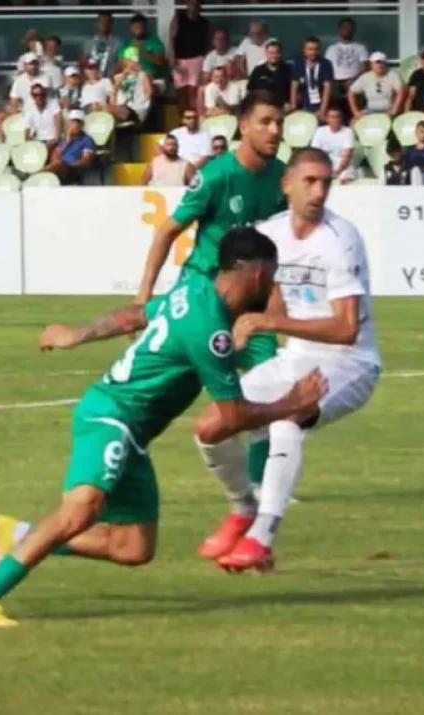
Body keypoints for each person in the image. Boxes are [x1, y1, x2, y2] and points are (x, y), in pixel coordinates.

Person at [0, 228, 324, 628]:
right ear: (257, 273)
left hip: (132, 433)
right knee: (81, 510)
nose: (274, 287)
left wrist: (78, 334)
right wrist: (290, 405)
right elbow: (232, 417)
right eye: (273, 276)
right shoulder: (210, 328)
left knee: (132, 547)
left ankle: (19, 535)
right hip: (112, 416)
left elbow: (136, 315)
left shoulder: (192, 291)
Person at [198, 149, 382, 570]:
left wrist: (267, 323)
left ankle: (261, 536)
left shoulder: (341, 239)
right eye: (309, 181)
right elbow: (271, 303)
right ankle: (243, 508)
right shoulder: (271, 234)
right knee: (212, 424)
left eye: (325, 182)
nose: (319, 192)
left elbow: (346, 328)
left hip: (350, 362)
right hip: (296, 356)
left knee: (288, 420)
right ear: (286, 185)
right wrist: (238, 326)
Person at [138, 91, 289, 499]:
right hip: (202, 292)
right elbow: (168, 231)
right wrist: (144, 296)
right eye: (265, 121)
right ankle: (122, 453)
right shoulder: (217, 176)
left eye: (279, 122)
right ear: (243, 126)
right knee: (162, 387)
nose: (275, 130)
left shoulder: (282, 177)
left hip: (250, 300)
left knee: (269, 387)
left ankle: (259, 487)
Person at [169, 0, 211, 114]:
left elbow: (207, 44)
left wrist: (205, 63)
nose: (194, 6)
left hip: (197, 60)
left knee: (193, 94)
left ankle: (193, 119)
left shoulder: (204, 22)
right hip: (180, 60)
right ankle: (182, 121)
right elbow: (171, 38)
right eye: (191, 3)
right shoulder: (178, 17)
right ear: (187, 4)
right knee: (181, 95)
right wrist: (172, 56)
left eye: (197, 4)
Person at [44, 110, 96, 184]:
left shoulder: (87, 140)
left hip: (72, 170)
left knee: (58, 164)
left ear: (82, 125)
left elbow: (86, 161)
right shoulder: (65, 139)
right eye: (72, 122)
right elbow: (55, 155)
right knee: (55, 161)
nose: (75, 125)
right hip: (58, 167)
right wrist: (67, 142)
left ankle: (36, 174)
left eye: (78, 122)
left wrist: (67, 164)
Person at [122, 13, 169, 93]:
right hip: (134, 79)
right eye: (136, 28)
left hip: (155, 80)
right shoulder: (127, 44)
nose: (139, 31)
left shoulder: (154, 41)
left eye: (141, 28)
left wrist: (142, 50)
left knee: (145, 87)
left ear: (145, 28)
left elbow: (160, 61)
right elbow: (123, 64)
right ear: (131, 28)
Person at [308, 106, 357, 183]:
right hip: (325, 162)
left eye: (337, 117)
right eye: (332, 117)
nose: (335, 120)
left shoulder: (348, 131)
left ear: (341, 118)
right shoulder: (319, 131)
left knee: (346, 177)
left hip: (342, 164)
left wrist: (338, 171)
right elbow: (315, 153)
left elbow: (347, 155)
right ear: (327, 119)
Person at [348, 52, 405, 118]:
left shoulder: (393, 75)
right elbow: (351, 92)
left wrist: (394, 110)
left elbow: (400, 92)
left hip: (387, 109)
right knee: (354, 122)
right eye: (376, 63)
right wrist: (355, 112)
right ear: (371, 65)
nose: (379, 66)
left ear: (385, 64)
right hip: (370, 110)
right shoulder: (365, 77)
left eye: (381, 63)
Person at [292, 36, 333, 118]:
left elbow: (327, 89)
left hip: (322, 107)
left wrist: (322, 111)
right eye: (310, 49)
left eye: (316, 49)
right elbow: (294, 87)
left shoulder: (326, 64)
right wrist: (294, 108)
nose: (313, 52)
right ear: (304, 51)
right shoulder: (299, 64)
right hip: (304, 106)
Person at [109, 55, 154, 126]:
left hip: (137, 107)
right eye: (129, 65)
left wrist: (140, 101)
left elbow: (149, 92)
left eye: (134, 64)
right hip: (121, 106)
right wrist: (124, 74)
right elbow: (114, 93)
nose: (132, 66)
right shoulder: (118, 77)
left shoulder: (142, 75)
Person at [248, 40, 293, 109]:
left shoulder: (289, 70)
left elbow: (295, 91)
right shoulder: (258, 70)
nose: (274, 56)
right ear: (266, 54)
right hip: (262, 107)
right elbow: (250, 91)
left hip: (283, 108)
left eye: (277, 53)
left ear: (281, 54)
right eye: (271, 53)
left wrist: (291, 105)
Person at [21, 82, 62, 150]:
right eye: (36, 95)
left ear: (45, 95)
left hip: (54, 140)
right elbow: (27, 130)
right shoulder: (30, 109)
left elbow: (58, 124)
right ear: (32, 96)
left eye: (42, 94)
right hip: (39, 142)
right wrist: (28, 143)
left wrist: (54, 140)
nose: (39, 97)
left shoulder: (53, 104)